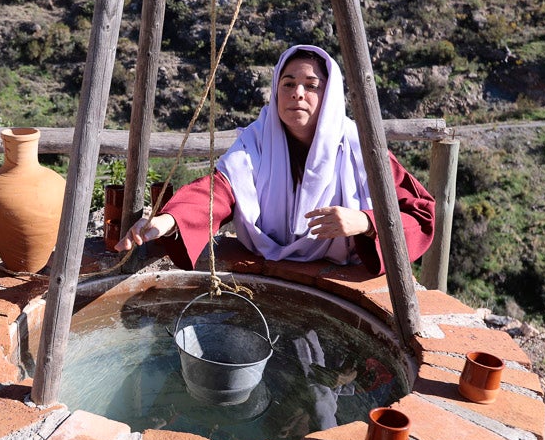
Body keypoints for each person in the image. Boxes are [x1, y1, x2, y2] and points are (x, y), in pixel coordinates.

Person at [116, 44, 435, 275]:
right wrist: (168, 222)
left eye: (311, 86)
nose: (297, 93)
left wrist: (365, 222)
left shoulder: (361, 149)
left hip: (341, 285)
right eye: (288, 84)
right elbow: (217, 192)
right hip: (265, 278)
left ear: (330, 96)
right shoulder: (256, 141)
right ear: (276, 91)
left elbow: (420, 216)